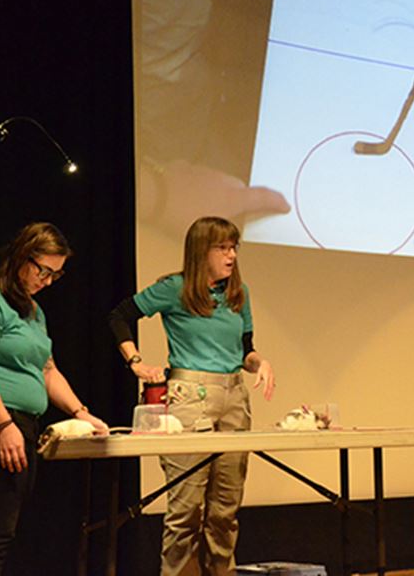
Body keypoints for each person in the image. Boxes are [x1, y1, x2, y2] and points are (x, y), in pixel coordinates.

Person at [108, 216, 275, 576]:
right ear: (202, 251)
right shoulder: (175, 288)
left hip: (234, 396)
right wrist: (136, 362)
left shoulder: (238, 294)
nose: (231, 256)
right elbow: (120, 316)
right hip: (191, 398)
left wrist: (259, 362)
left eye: (234, 248)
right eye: (222, 248)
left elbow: (245, 348)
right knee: (186, 509)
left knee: (225, 509)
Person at [0, 222, 108, 576]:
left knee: (0, 535)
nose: (48, 281)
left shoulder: (33, 311)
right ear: (23, 257)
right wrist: (3, 425)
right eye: (44, 271)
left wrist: (81, 412)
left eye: (56, 274)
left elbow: (48, 371)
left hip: (19, 426)